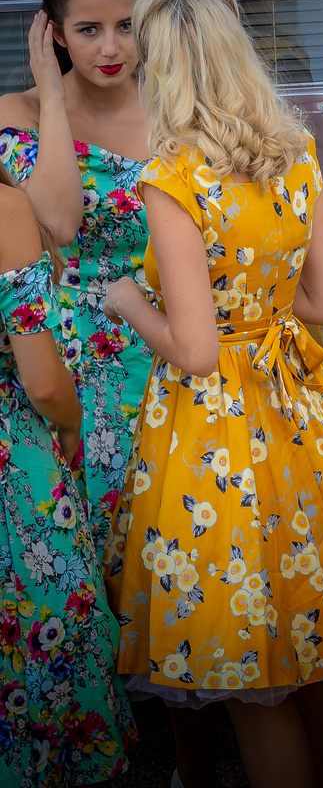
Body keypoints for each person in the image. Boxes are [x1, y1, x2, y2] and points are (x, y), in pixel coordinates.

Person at [101, 0, 323, 788]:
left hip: (214, 436)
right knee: (303, 654)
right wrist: (261, 308)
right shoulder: (293, 153)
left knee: (250, 677)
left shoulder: (174, 179)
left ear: (159, 66)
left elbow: (195, 351)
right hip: (296, 413)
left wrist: (128, 301)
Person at [0, 0, 154, 553]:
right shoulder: (19, 109)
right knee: (89, 539)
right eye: (88, 29)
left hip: (169, 337)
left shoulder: (179, 109)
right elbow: (58, 221)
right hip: (68, 355)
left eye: (127, 25)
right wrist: (53, 95)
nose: (111, 47)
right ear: (56, 34)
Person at [0, 167, 136, 787]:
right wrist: (73, 422)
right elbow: (46, 382)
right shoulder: (5, 212)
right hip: (13, 459)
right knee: (48, 638)